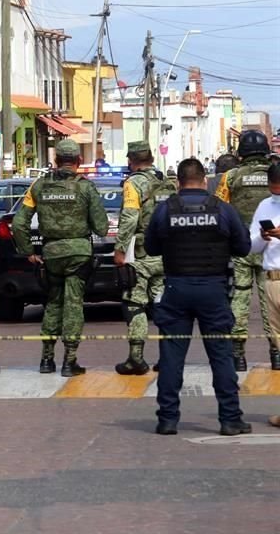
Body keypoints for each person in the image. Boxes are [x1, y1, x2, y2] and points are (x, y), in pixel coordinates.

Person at [145, 158, 251, 436]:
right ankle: (230, 419)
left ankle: (167, 420)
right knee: (221, 356)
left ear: (178, 182)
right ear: (205, 180)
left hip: (176, 289)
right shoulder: (223, 210)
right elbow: (243, 248)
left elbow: (151, 247)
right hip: (214, 290)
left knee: (171, 356)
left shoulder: (164, 210)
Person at [13, 139, 108, 377]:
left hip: (51, 254)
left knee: (53, 303)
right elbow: (102, 228)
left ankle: (46, 359)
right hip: (78, 254)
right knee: (73, 304)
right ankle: (70, 360)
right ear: (78, 161)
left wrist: (28, 252)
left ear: (56, 161)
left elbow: (18, 222)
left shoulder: (39, 185)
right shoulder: (86, 188)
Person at [113, 141, 178, 375]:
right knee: (163, 305)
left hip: (140, 254)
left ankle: (136, 359)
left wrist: (120, 249)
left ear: (131, 161)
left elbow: (130, 217)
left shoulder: (133, 183)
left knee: (134, 303)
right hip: (166, 253)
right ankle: (168, 358)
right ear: (150, 158)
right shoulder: (168, 183)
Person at [215, 130, 272, 371]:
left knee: (239, 300)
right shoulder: (275, 174)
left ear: (241, 154)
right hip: (271, 248)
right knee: (270, 302)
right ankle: (277, 354)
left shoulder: (230, 177)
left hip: (241, 248)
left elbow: (219, 209)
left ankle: (238, 355)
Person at [247, 162, 280, 372]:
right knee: (276, 334)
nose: (276, 195)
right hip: (271, 280)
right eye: (274, 190)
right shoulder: (264, 206)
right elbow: (252, 246)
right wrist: (262, 236)